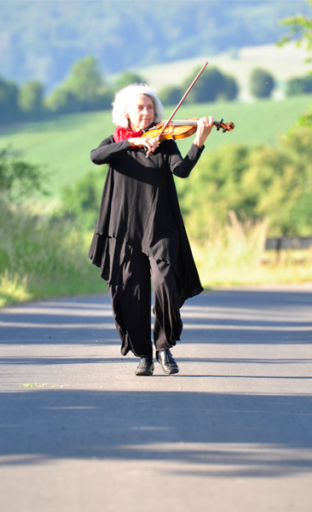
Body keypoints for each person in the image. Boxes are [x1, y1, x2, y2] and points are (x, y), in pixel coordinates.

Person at [88, 83, 214, 376]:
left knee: (165, 284)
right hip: (124, 228)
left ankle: (163, 348)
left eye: (150, 107)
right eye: (140, 108)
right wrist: (133, 143)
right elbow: (96, 156)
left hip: (160, 225)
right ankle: (143, 354)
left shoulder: (165, 141)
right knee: (131, 291)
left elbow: (180, 171)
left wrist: (199, 141)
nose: (146, 112)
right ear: (127, 114)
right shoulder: (115, 143)